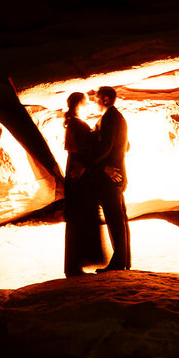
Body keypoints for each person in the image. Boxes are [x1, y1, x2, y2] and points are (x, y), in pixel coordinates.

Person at [61, 90, 107, 276]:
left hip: (76, 172)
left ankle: (76, 264)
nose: (89, 105)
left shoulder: (74, 123)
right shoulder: (77, 124)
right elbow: (87, 149)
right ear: (79, 105)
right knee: (79, 218)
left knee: (77, 218)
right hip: (79, 175)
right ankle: (74, 265)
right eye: (86, 102)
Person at [90, 83, 132, 270]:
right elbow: (127, 145)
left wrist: (94, 164)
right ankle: (122, 261)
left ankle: (118, 263)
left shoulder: (109, 118)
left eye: (96, 98)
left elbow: (106, 147)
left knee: (114, 219)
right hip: (118, 173)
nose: (94, 101)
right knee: (119, 218)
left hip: (111, 175)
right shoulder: (118, 117)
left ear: (105, 99)